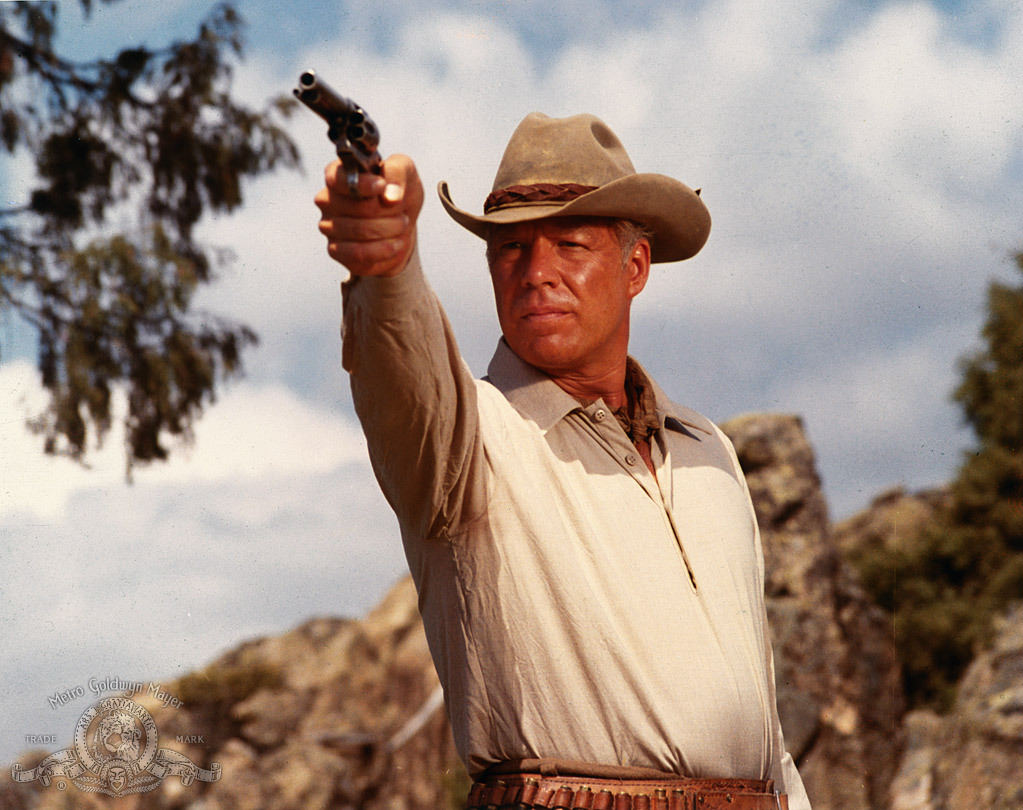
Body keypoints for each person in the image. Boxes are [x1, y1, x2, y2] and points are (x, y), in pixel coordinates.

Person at [315, 112, 811, 810]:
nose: (536, 273)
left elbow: (767, 725)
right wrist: (385, 270)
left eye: (570, 244)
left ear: (634, 267)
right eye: (511, 249)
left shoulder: (709, 450)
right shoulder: (468, 437)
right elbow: (403, 373)